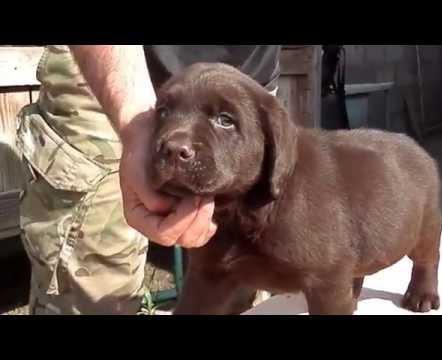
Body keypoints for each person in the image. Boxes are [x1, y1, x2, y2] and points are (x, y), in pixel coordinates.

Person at [16, 45, 282, 315]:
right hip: (106, 63)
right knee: (91, 294)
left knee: (233, 290)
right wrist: (135, 125)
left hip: (246, 82)